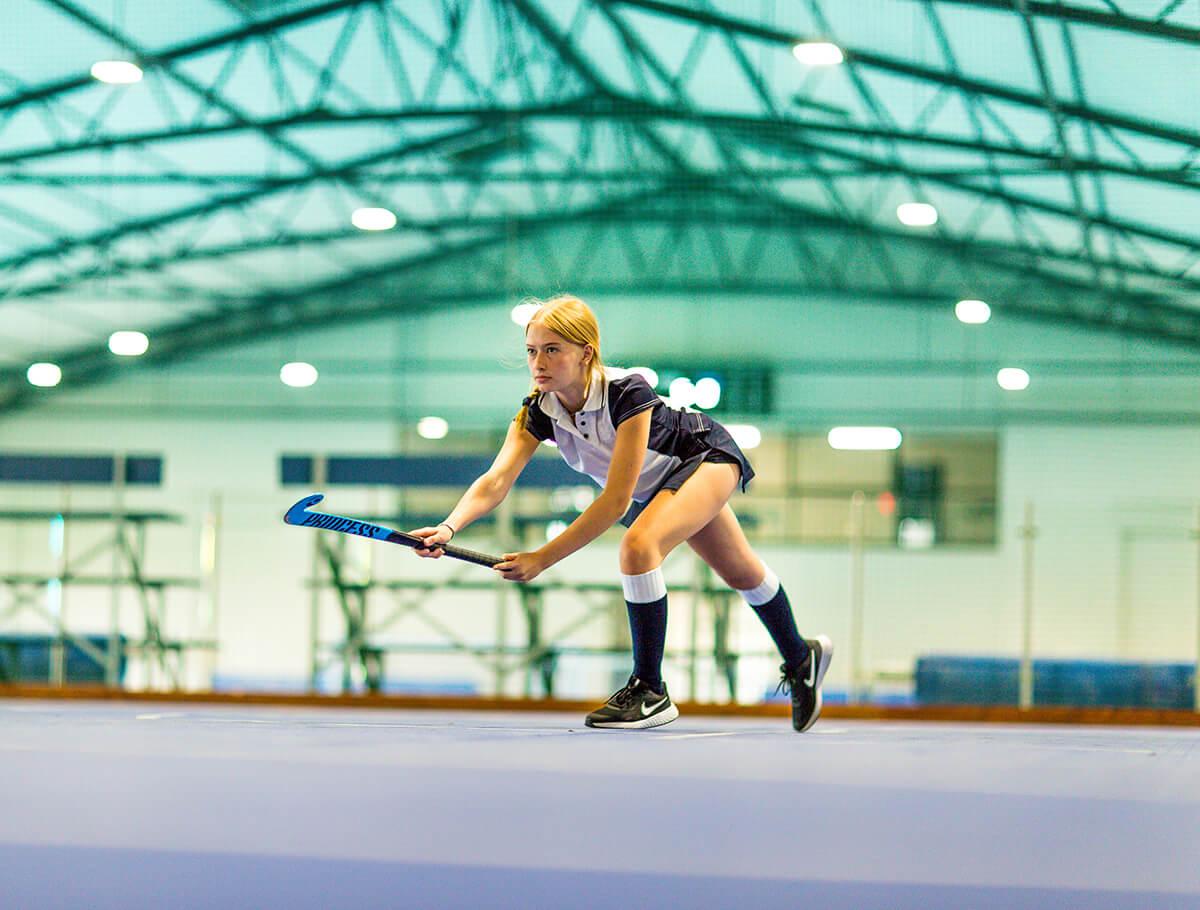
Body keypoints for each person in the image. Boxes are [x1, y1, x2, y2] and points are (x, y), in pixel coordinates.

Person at [410, 295, 832, 731]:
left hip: (704, 457)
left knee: (638, 545)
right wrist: (448, 526)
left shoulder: (627, 392)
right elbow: (496, 481)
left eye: (553, 349)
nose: (539, 362)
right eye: (532, 351)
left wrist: (542, 558)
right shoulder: (538, 411)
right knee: (741, 571)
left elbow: (615, 502)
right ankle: (802, 657)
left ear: (585, 353)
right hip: (659, 486)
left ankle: (650, 688)